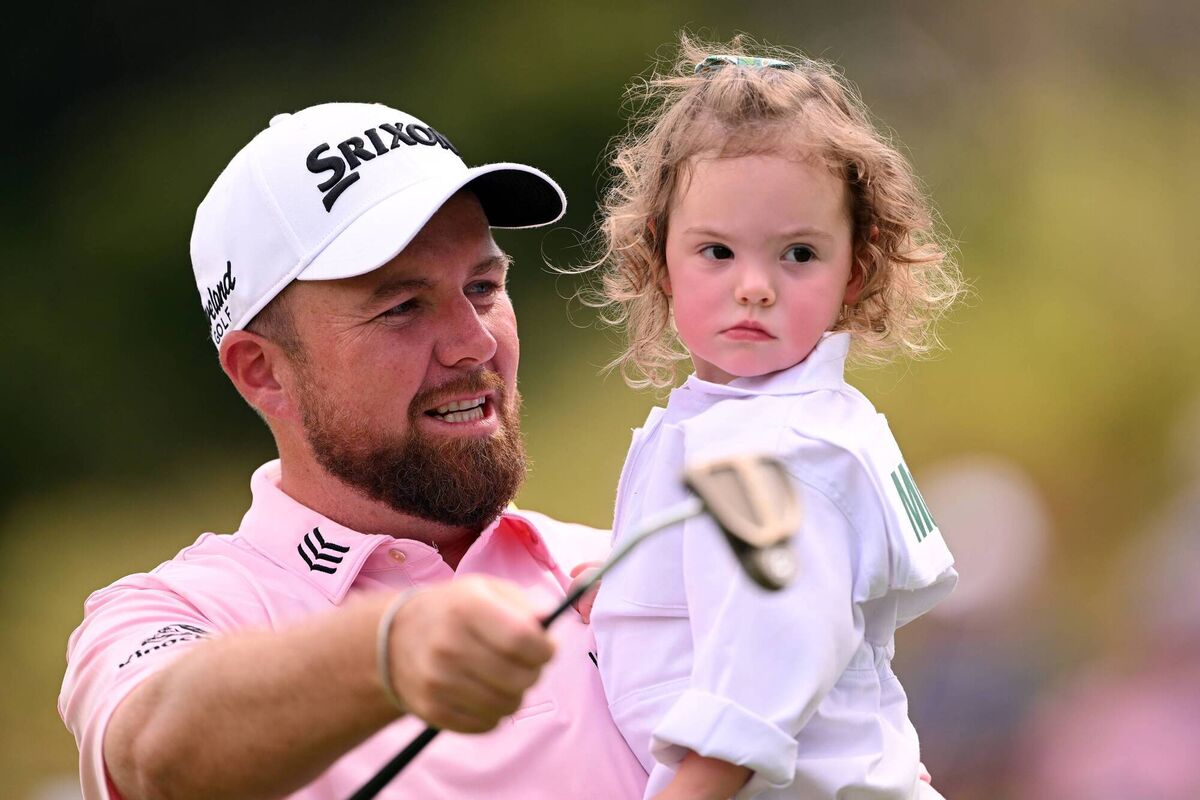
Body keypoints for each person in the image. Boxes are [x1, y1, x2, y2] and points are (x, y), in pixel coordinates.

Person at [58, 101, 648, 800]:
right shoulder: (179, 609)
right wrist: (389, 648)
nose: (476, 343)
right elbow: (157, 750)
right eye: (402, 306)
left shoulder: (623, 569)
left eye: (483, 287)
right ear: (262, 371)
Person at [584, 39, 964, 799]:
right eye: (717, 251)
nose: (754, 286)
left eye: (797, 254)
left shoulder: (781, 452)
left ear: (856, 267)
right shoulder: (745, 423)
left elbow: (758, 688)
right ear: (659, 257)